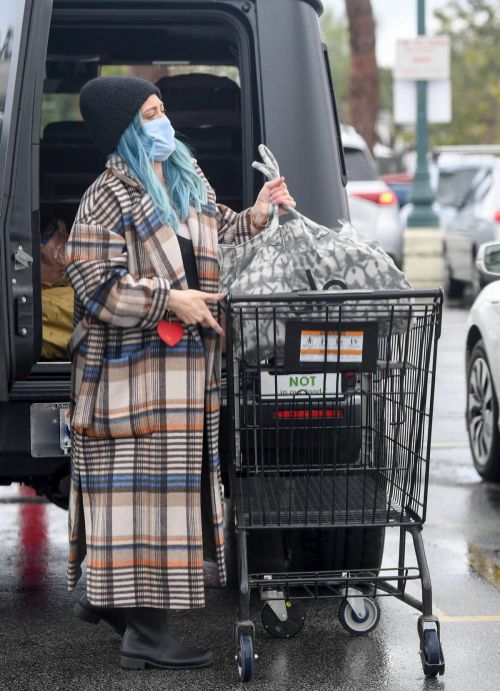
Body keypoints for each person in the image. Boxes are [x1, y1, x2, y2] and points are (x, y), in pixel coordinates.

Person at [65, 75, 295, 671]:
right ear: (125, 128)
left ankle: (113, 605)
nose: (164, 121)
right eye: (150, 113)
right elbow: (93, 283)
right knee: (141, 503)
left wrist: (258, 212)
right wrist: (171, 300)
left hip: (184, 380)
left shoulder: (183, 179)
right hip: (131, 384)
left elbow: (217, 226)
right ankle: (144, 633)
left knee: (166, 501)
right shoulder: (106, 196)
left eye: (162, 108)